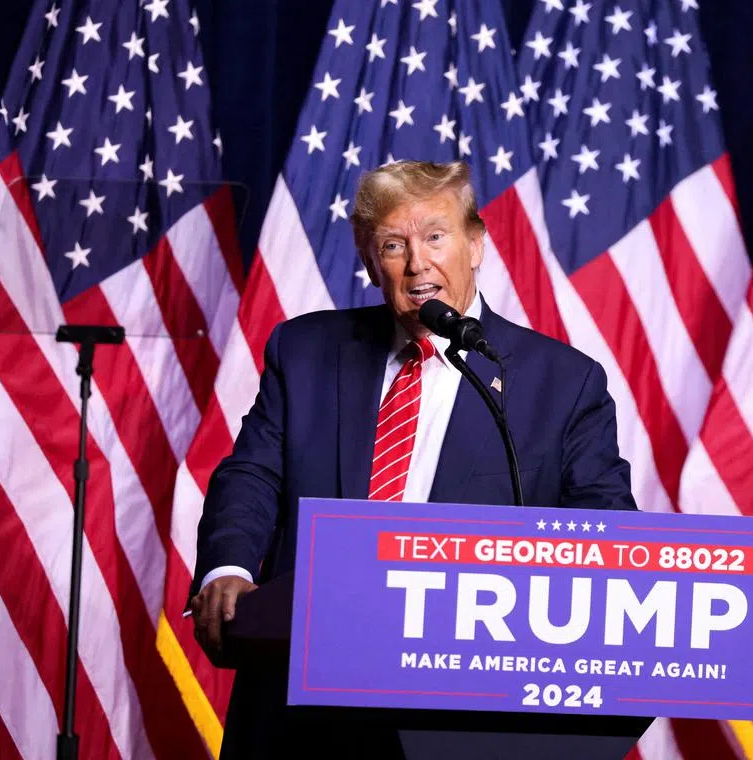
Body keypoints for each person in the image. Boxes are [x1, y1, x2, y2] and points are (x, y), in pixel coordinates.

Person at [188, 159, 637, 758]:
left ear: (476, 245)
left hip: (463, 714)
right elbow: (251, 475)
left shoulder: (563, 383)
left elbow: (602, 533)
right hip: (303, 704)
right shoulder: (304, 351)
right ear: (372, 263)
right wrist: (229, 569)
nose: (418, 263)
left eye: (435, 236)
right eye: (393, 244)